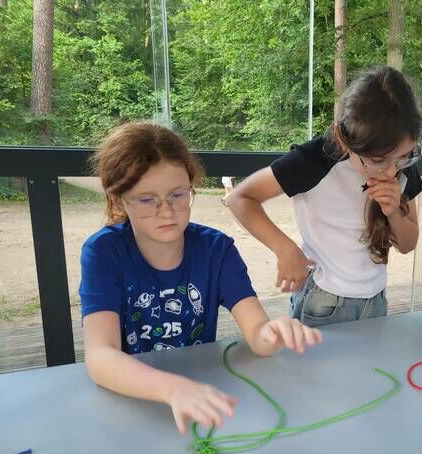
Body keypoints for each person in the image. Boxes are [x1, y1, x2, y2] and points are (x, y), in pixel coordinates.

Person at [79, 122, 321, 435]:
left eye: (178, 195)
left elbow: (257, 332)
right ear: (119, 198)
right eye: (147, 199)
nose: (167, 211)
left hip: (199, 399)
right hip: (131, 400)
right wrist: (171, 389)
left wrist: (273, 333)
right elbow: (100, 356)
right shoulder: (104, 252)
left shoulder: (216, 250)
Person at [224, 66, 422, 327]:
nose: (389, 171)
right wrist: (285, 249)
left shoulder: (402, 166)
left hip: (376, 299)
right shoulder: (317, 159)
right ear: (344, 138)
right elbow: (240, 199)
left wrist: (394, 212)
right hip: (322, 300)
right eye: (377, 160)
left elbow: (408, 244)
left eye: (402, 157)